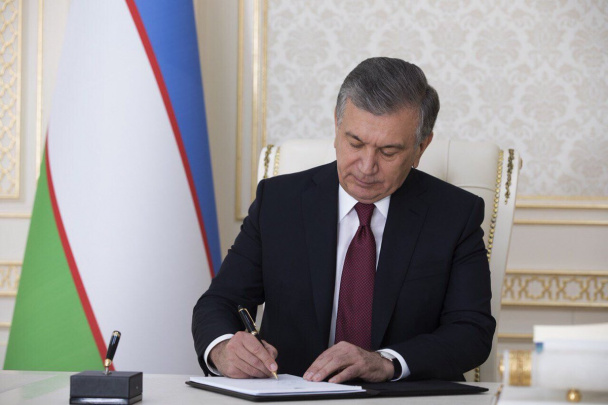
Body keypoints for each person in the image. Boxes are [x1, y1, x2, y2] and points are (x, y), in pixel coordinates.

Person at [192, 57, 495, 383]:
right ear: (337, 128)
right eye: (355, 143)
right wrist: (222, 349)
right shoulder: (279, 202)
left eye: (388, 152)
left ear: (421, 147)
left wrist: (386, 363)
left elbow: (471, 331)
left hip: (402, 398)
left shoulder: (455, 215)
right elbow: (220, 302)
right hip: (293, 396)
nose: (366, 167)